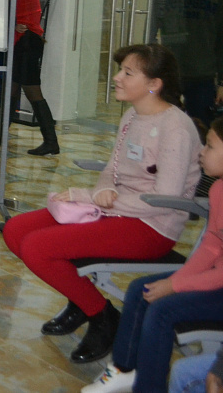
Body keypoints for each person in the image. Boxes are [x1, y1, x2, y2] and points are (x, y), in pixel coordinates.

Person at [3, 43, 202, 364]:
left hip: (152, 227)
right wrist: (104, 189)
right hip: (117, 211)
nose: (116, 77)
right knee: (15, 230)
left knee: (38, 247)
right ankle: (83, 301)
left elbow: (164, 201)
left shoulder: (175, 128)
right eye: (120, 70)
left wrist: (91, 197)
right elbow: (112, 169)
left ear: (154, 84)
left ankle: (102, 316)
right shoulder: (132, 115)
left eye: (128, 73)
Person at [82, 115, 223, 393]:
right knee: (140, 289)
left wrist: (176, 285)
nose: (201, 152)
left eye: (210, 146)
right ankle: (124, 370)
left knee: (161, 310)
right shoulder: (218, 190)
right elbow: (211, 246)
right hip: (214, 278)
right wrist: (178, 279)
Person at [149, 0, 223, 129]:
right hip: (169, 75)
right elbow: (150, 37)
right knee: (164, 127)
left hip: (203, 77)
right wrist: (150, 72)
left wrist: (222, 83)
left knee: (201, 130)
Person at [15, 0, 60, 156]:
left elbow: (18, 15)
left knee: (32, 91)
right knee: (14, 87)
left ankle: (51, 141)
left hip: (26, 43)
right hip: (28, 41)